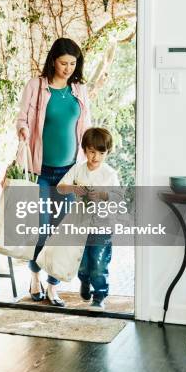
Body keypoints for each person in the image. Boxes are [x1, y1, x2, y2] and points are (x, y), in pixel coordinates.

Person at [16, 37, 91, 306]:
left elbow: (85, 127)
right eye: (63, 63)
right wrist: (23, 129)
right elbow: (23, 117)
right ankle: (35, 277)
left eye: (73, 63)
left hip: (69, 174)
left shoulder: (79, 90)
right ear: (53, 61)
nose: (68, 68)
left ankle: (52, 285)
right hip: (40, 171)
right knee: (41, 227)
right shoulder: (36, 86)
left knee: (62, 231)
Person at [57, 127, 120, 310]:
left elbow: (117, 196)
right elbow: (61, 187)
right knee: (82, 262)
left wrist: (101, 194)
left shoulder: (109, 174)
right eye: (92, 152)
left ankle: (99, 295)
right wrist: (74, 189)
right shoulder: (78, 169)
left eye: (102, 153)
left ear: (107, 153)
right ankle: (84, 281)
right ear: (84, 150)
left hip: (102, 226)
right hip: (80, 225)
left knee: (98, 264)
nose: (96, 157)